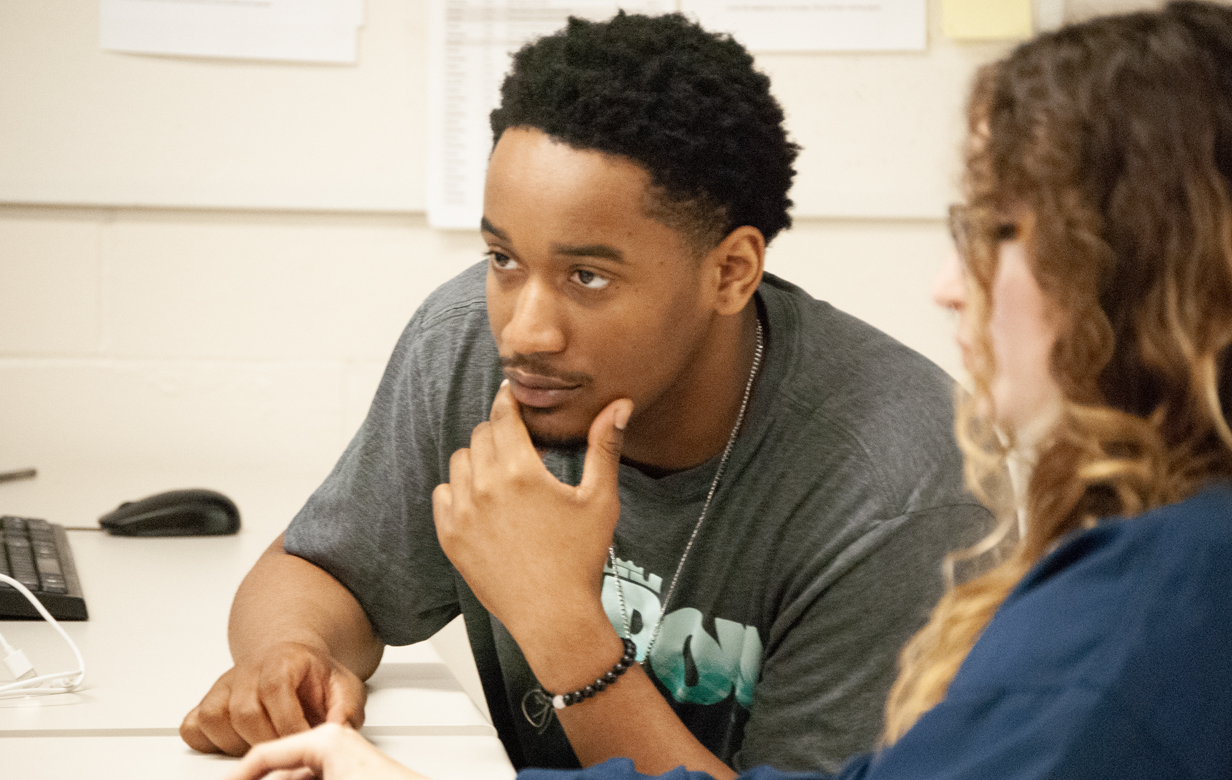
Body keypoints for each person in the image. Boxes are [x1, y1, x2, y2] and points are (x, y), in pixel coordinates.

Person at [221, 2, 1232, 779]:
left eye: (588, 276)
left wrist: (562, 624)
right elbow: (325, 569)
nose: (524, 327)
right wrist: (290, 659)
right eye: (502, 260)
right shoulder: (477, 349)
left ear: (733, 272)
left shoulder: (916, 489)